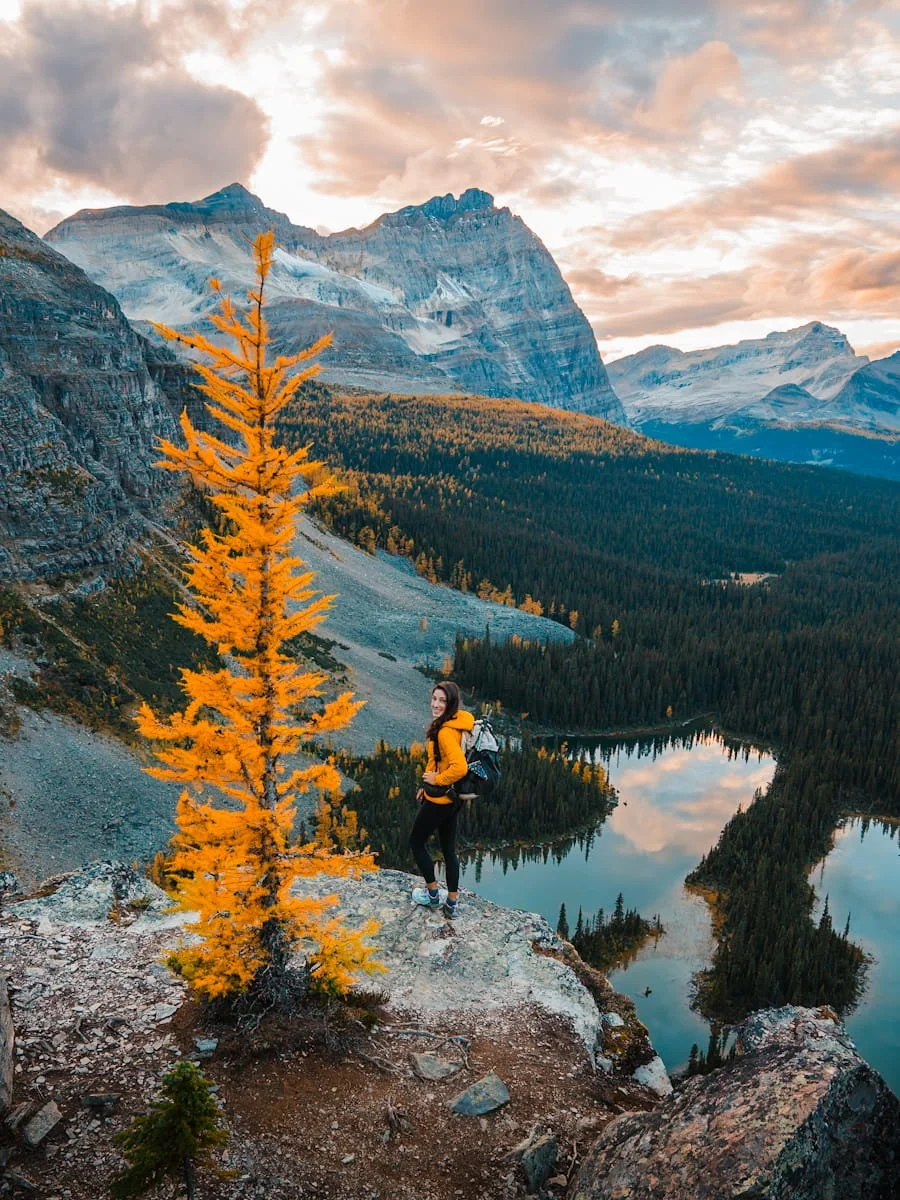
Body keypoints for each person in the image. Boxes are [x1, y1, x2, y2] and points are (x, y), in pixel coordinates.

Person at [409, 680, 474, 919]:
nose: (436, 704)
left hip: (441, 800)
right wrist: (425, 786)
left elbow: (459, 767)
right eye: (434, 699)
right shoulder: (456, 724)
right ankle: (452, 904)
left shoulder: (445, 732)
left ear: (451, 704)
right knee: (448, 850)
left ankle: (433, 894)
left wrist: (436, 781)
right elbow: (436, 761)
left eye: (442, 700)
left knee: (416, 842)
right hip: (454, 799)